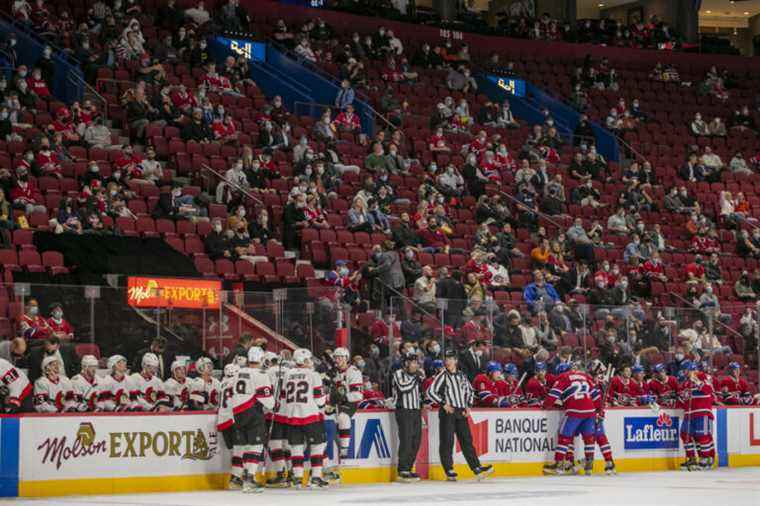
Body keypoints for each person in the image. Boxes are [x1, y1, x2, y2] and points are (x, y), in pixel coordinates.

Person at [427, 349, 493, 481]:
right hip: (448, 412)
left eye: (451, 359)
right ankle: (449, 469)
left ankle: (476, 468)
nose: (448, 361)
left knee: (467, 440)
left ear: (456, 361)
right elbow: (431, 392)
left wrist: (468, 406)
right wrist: (443, 404)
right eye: (447, 359)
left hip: (461, 411)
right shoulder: (442, 376)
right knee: (447, 441)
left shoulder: (461, 375)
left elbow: (469, 390)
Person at [543, 362, 600, 475]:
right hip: (590, 411)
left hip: (575, 410)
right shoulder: (585, 376)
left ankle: (558, 465)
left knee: (564, 436)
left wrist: (545, 405)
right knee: (589, 438)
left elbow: (553, 395)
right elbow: (596, 395)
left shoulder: (563, 378)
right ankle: (589, 465)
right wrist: (598, 409)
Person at [284, 348, 329, 489]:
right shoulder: (313, 374)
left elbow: (285, 395)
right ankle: (315, 477)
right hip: (310, 415)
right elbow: (320, 400)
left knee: (296, 447)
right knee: (318, 445)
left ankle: (297, 479)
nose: (310, 362)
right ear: (302, 360)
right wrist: (322, 404)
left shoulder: (287, 374)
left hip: (292, 415)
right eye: (308, 359)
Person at [232, 347, 274, 493]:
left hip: (237, 412)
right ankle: (249, 479)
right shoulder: (261, 374)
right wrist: (274, 405)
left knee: (245, 446)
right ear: (261, 359)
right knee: (256, 445)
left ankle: (244, 477)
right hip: (252, 412)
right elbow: (267, 400)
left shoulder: (238, 372)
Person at [327, 347, 363, 479]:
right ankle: (330, 466)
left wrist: (343, 398)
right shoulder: (333, 371)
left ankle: (344, 449)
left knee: (343, 418)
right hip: (334, 403)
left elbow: (358, 394)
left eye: (341, 357)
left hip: (348, 403)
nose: (338, 360)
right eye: (336, 357)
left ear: (346, 358)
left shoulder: (353, 372)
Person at [392, 352, 424, 482]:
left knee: (416, 441)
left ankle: (409, 468)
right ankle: (402, 470)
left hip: (416, 410)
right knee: (406, 440)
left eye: (416, 362)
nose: (415, 365)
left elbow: (419, 392)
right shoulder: (398, 374)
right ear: (406, 363)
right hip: (404, 410)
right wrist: (416, 378)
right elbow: (403, 388)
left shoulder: (416, 375)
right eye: (412, 362)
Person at [679, 361, 716, 471]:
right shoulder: (686, 383)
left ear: (691, 369)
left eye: (685, 370)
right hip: (689, 414)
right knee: (684, 434)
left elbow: (709, 390)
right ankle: (692, 458)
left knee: (703, 436)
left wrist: (696, 380)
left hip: (702, 412)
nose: (684, 372)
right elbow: (684, 399)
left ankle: (706, 459)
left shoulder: (704, 376)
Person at [217, 363, 242, 489]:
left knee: (234, 450)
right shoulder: (236, 382)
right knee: (240, 449)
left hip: (222, 420)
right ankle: (236, 477)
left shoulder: (222, 383)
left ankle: (237, 476)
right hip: (233, 419)